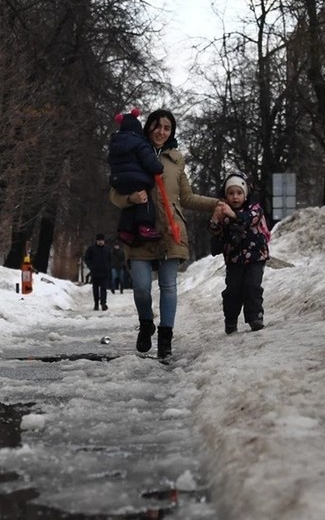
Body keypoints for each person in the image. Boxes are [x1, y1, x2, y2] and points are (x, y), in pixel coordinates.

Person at [109, 108, 220, 358]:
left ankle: (166, 337)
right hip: (139, 229)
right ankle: (146, 323)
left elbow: (188, 197)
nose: (161, 131)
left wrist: (217, 202)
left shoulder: (177, 159)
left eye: (167, 128)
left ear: (172, 132)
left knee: (169, 286)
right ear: (148, 127)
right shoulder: (133, 151)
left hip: (171, 229)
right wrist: (131, 198)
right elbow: (114, 194)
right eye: (157, 126)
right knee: (141, 287)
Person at [208, 172, 270, 333]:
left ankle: (255, 317)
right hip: (234, 259)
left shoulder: (254, 209)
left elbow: (251, 218)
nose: (235, 197)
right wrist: (215, 221)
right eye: (231, 193)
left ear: (246, 194)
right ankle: (230, 320)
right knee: (232, 291)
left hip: (256, 257)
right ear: (225, 195)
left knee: (252, 287)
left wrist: (233, 214)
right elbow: (216, 233)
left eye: (239, 193)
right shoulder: (223, 212)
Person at [107, 108, 164, 245]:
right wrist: (158, 168)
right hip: (137, 179)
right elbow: (149, 161)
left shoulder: (115, 145)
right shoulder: (140, 143)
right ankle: (145, 227)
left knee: (130, 206)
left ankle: (125, 231)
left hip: (118, 181)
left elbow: (110, 161)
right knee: (145, 200)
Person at [83, 233, 112, 311]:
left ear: (104, 240)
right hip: (95, 272)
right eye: (99, 240)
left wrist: (108, 267)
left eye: (101, 240)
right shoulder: (91, 249)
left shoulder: (107, 249)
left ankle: (103, 303)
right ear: (96, 241)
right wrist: (91, 266)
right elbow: (86, 258)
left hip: (105, 271)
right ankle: (96, 304)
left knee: (103, 288)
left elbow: (111, 259)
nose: (100, 242)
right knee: (95, 289)